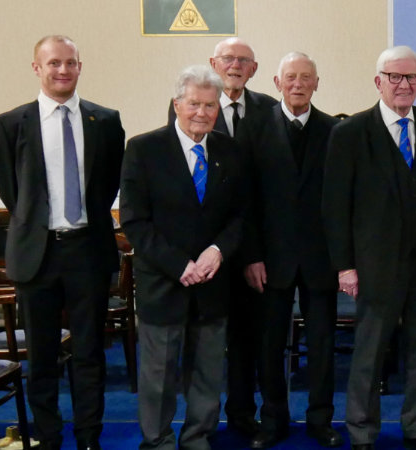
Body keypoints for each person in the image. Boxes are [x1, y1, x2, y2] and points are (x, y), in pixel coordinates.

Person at [0, 35, 124, 450]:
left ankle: (88, 439)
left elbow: (108, 186)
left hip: (89, 250)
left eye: (70, 63)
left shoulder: (105, 120)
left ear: (80, 66)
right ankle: (48, 439)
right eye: (53, 64)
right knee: (42, 358)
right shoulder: (11, 124)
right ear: (37, 68)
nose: (62, 70)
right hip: (37, 254)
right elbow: (11, 192)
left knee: (89, 355)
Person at [322, 45, 416, 450]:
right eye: (395, 77)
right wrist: (345, 266)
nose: (404, 85)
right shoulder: (350, 133)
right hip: (374, 267)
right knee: (369, 354)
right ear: (378, 81)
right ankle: (361, 431)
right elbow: (335, 207)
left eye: (412, 77)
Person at [121, 64, 249, 450]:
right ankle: (157, 440)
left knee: (208, 371)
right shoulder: (144, 149)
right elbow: (135, 221)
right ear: (177, 104)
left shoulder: (230, 150)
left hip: (213, 282)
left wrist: (218, 251)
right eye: (194, 103)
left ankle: (198, 437)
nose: (203, 113)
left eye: (211, 106)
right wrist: (179, 265)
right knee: (159, 373)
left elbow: (241, 215)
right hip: (164, 282)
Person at [239, 51, 343, 448]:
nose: (298, 84)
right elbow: (244, 201)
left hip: (321, 260)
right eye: (290, 77)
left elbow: (341, 201)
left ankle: (320, 420)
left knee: (321, 345)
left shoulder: (335, 130)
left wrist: (342, 259)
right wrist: (250, 255)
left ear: (317, 83)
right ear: (276, 84)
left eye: (306, 77)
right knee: (268, 346)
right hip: (269, 260)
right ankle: (273, 419)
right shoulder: (254, 128)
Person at [195, 38, 278, 438]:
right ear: (213, 63)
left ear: (254, 69)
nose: (235, 65)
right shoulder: (193, 105)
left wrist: (253, 253)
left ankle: (243, 416)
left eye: (244, 60)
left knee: (248, 340)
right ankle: (203, 421)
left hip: (252, 247)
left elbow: (264, 193)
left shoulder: (267, 110)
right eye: (228, 58)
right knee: (207, 342)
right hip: (205, 253)